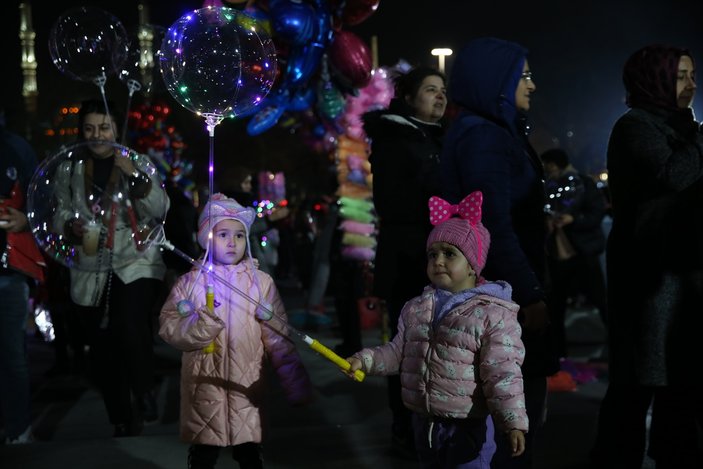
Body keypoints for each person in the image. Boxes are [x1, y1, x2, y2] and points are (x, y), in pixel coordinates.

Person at [439, 37, 558, 468]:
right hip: (504, 298)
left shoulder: (490, 131)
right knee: (511, 420)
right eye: (522, 75)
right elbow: (493, 224)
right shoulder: (484, 137)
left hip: (502, 293)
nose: (532, 84)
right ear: (496, 82)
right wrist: (528, 293)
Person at [347, 192, 528, 468]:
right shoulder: (417, 307)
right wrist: (366, 360)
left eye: (450, 254)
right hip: (425, 425)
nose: (438, 261)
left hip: (468, 427)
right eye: (432, 254)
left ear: (473, 265)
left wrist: (512, 421)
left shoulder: (493, 314)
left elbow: (503, 373)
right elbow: (399, 352)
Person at [591, 44, 703, 469]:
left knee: (681, 378)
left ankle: (675, 454)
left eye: (693, 75)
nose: (691, 84)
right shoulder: (635, 126)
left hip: (683, 270)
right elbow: (674, 176)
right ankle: (614, 458)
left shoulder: (684, 128)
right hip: (647, 273)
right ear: (653, 79)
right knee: (637, 381)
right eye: (680, 75)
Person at [159, 193, 312, 469]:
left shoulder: (260, 284)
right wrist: (199, 326)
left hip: (246, 387)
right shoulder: (191, 284)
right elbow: (169, 328)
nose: (233, 242)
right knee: (204, 454)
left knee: (250, 453)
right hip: (205, 386)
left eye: (239, 235)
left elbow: (279, 339)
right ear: (207, 238)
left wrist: (295, 383)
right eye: (223, 234)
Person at [52, 98, 169, 436]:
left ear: (117, 129)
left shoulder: (137, 162)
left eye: (104, 127)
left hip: (136, 259)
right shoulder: (70, 169)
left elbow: (159, 207)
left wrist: (135, 176)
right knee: (101, 345)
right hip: (91, 263)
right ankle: (120, 414)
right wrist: (68, 226)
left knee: (128, 324)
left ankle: (144, 390)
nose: (97, 134)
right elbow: (60, 210)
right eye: (89, 128)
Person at [362, 65, 447, 454]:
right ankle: (405, 423)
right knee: (409, 345)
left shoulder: (438, 137)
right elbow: (391, 203)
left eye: (443, 90)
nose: (440, 97)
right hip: (409, 258)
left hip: (440, 255)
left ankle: (434, 418)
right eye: (431, 90)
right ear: (409, 98)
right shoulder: (396, 139)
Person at [541, 148, 607, 359]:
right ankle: (558, 354)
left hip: (583, 251)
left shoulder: (584, 184)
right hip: (561, 253)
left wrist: (573, 220)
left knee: (600, 299)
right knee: (556, 304)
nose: (546, 169)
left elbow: (595, 215)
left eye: (548, 165)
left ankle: (615, 349)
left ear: (554, 164)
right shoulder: (553, 185)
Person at [0, 109, 41, 444]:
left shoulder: (14, 147)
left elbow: (42, 200)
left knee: (11, 353)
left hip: (7, 270)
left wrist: (25, 219)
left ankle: (18, 428)